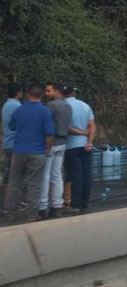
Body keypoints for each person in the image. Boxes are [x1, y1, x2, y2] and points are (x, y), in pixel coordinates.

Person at [3, 84, 54, 222]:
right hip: (37, 150)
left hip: (19, 150)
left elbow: (12, 126)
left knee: (14, 181)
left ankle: (9, 211)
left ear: (28, 95)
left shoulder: (19, 110)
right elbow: (49, 134)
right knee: (35, 183)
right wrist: (47, 148)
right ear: (41, 96)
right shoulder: (44, 111)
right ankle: (32, 214)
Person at [39, 83, 72, 219]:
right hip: (63, 142)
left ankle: (42, 206)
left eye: (48, 91)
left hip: (51, 143)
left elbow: (44, 124)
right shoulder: (67, 106)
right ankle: (57, 205)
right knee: (57, 174)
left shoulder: (50, 106)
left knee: (45, 175)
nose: (46, 93)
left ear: (57, 91)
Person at [63, 85, 96, 215]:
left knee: (75, 176)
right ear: (74, 92)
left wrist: (81, 133)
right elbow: (92, 125)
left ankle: (75, 203)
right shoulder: (85, 106)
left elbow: (66, 128)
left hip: (71, 146)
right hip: (85, 146)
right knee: (86, 175)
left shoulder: (63, 106)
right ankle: (84, 203)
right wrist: (89, 141)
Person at [1, 83, 22, 201]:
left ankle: (8, 199)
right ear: (18, 93)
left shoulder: (6, 105)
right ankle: (12, 201)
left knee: (9, 173)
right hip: (14, 143)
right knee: (15, 175)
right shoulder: (16, 106)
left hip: (7, 142)